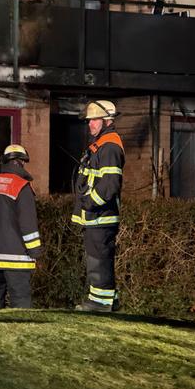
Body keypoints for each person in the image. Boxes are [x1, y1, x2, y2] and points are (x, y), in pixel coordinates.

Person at [72, 101, 125, 312]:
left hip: (101, 215)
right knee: (98, 257)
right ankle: (108, 299)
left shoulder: (110, 146)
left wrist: (90, 203)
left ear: (107, 121)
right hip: (97, 215)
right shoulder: (102, 144)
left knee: (98, 258)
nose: (90, 125)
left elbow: (110, 185)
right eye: (89, 121)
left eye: (94, 120)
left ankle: (100, 302)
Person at [0, 145, 43, 308]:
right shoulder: (21, 186)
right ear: (20, 162)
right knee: (20, 299)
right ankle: (22, 331)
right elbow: (28, 223)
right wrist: (35, 251)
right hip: (17, 257)